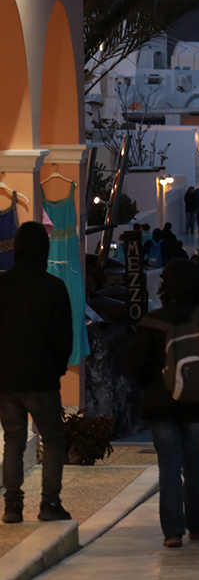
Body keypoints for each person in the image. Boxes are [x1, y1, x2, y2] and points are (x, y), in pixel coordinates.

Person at [126, 259, 199, 548]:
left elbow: (137, 366)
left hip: (161, 406)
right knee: (194, 461)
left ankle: (172, 532)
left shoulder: (151, 322)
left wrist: (155, 387)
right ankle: (197, 525)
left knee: (168, 466)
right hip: (197, 403)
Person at [0, 223, 74, 523]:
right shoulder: (53, 287)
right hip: (41, 378)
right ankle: (50, 504)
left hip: (5, 379)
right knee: (53, 440)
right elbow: (64, 339)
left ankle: (12, 507)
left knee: (13, 441)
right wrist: (55, 371)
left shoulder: (2, 286)